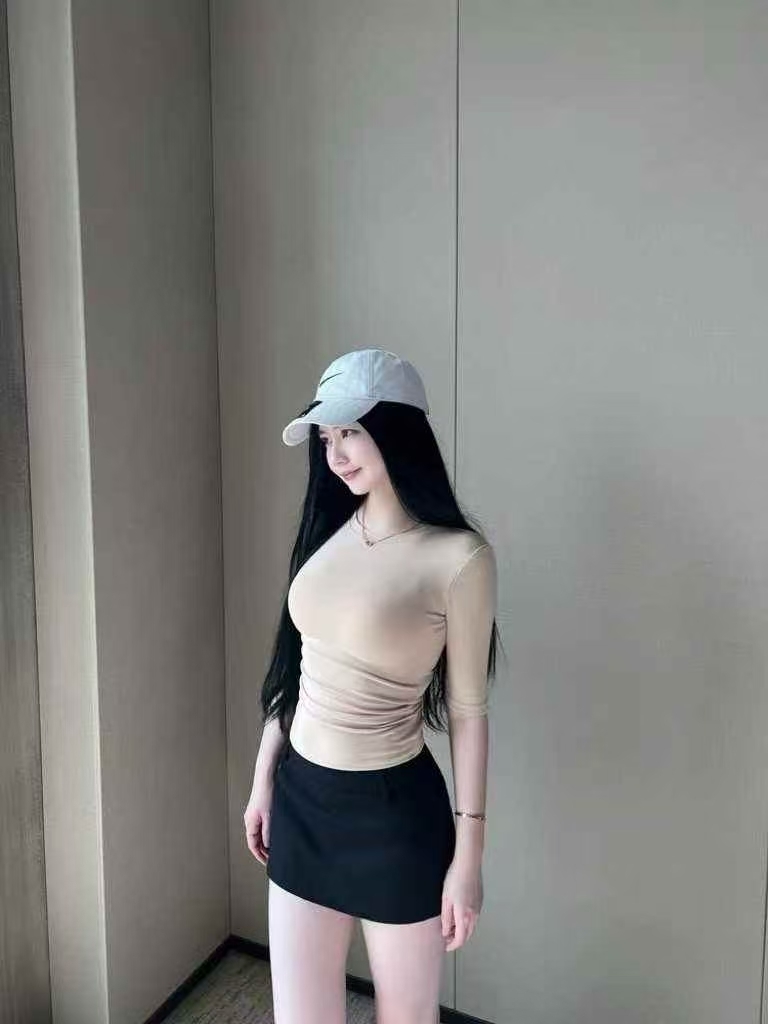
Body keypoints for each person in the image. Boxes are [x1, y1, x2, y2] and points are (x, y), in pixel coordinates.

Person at [243, 348, 503, 1024]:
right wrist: (263, 779)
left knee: (406, 1017)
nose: (335, 454)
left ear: (398, 430)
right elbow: (297, 664)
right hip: (302, 802)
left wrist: (468, 858)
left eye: (351, 432)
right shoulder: (328, 529)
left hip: (393, 816)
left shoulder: (459, 558)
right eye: (326, 437)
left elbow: (469, 713)